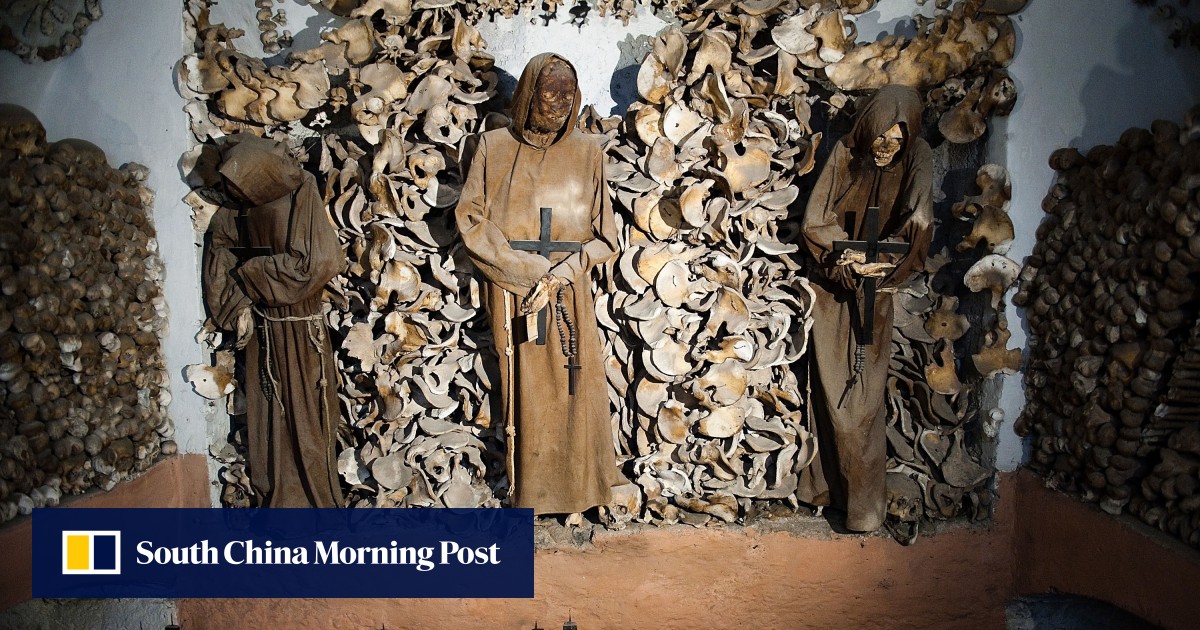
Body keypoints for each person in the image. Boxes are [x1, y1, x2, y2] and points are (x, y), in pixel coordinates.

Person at [455, 53, 624, 521]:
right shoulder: (492, 147)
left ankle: (583, 491)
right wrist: (526, 270)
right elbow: (471, 219)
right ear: (529, 93)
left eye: (568, 94)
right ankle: (532, 494)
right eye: (549, 92)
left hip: (570, 291)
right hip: (514, 288)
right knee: (525, 392)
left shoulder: (589, 153)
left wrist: (563, 273)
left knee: (577, 386)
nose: (559, 103)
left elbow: (606, 236)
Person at [797, 85, 934, 532]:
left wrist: (886, 262)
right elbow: (816, 219)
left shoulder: (918, 158)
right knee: (830, 397)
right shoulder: (844, 152)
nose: (886, 149)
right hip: (835, 291)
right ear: (868, 128)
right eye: (881, 138)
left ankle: (864, 509)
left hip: (878, 294)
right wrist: (845, 258)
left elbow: (919, 219)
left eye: (897, 141)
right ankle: (827, 491)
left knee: (864, 404)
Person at [203, 134, 345, 508]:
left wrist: (252, 273)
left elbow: (320, 262)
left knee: (309, 422)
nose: (236, 191)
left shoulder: (301, 192)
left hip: (301, 333)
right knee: (270, 423)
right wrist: (239, 307)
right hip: (263, 332)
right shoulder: (236, 211)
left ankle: (317, 511)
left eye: (241, 181)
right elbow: (221, 261)